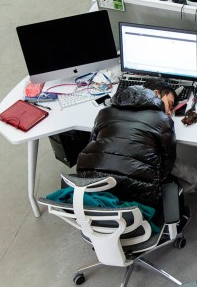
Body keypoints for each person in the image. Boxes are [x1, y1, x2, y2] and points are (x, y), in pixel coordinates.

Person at [76, 80, 177, 208]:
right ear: (156, 93)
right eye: (170, 104)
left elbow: (92, 144)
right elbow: (167, 163)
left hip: (91, 185)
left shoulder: (104, 113)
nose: (169, 112)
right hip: (139, 195)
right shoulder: (163, 120)